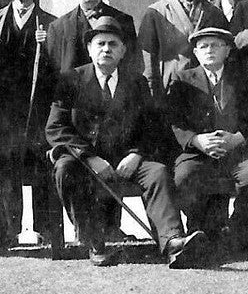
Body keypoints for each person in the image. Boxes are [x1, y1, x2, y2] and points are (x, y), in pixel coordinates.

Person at [45, 16, 207, 267]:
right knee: (64, 169)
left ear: (123, 51)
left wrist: (136, 155)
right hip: (84, 161)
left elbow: (151, 127)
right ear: (89, 49)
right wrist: (90, 158)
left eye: (113, 44)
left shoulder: (137, 82)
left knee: (157, 172)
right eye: (100, 44)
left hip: (127, 159)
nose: (106, 49)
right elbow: (56, 127)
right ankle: (93, 242)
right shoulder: (70, 80)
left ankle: (173, 241)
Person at [167, 26, 248, 248]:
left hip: (236, 154)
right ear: (195, 52)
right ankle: (197, 229)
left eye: (215, 45)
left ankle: (236, 229)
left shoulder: (242, 79)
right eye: (203, 46)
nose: (209, 50)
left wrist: (237, 138)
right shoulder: (182, 79)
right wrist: (197, 140)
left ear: (227, 50)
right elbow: (174, 122)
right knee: (184, 175)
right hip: (198, 154)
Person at [0, 0, 59, 251]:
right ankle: (6, 234)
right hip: (5, 110)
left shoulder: (50, 23)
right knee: (6, 170)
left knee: (40, 167)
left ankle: (46, 231)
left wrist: (48, 46)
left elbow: (61, 67)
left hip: (38, 108)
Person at [140, 0, 228, 100]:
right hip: (170, 93)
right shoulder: (156, 13)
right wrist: (153, 101)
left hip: (205, 95)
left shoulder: (215, 13)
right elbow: (148, 64)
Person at [45, 0, 140, 76]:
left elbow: (132, 64)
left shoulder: (122, 20)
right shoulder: (58, 27)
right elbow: (52, 72)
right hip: (73, 93)